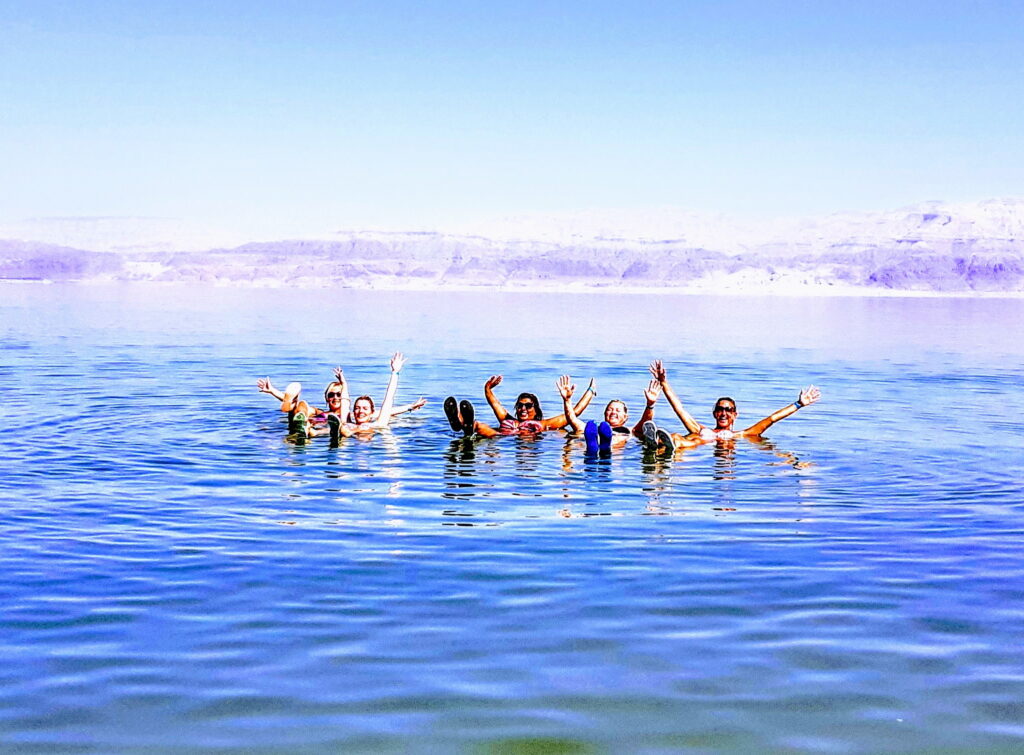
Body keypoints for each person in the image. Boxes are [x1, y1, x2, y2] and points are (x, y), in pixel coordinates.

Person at [642, 359, 821, 453]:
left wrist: (798, 404)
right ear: (714, 414)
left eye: (728, 410)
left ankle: (660, 447)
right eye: (720, 409)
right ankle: (657, 444)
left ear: (735, 414)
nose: (723, 413)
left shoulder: (742, 435)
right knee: (677, 437)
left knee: (681, 442)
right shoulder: (699, 429)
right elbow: (679, 408)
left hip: (689, 450)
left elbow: (772, 419)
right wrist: (663, 382)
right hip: (688, 444)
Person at [257, 354, 425, 439]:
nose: (360, 411)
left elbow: (389, 403)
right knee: (309, 411)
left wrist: (395, 373)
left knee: (347, 426)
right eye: (358, 408)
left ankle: (306, 427)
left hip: (345, 433)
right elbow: (346, 401)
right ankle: (296, 413)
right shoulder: (345, 417)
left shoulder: (376, 422)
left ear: (371, 410)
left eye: (364, 408)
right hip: (338, 430)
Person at [444, 374, 596, 438]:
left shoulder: (545, 424)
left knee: (478, 426)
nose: (523, 409)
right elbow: (495, 404)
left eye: (528, 406)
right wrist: (487, 388)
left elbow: (575, 412)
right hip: (499, 437)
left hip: (501, 439)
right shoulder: (508, 419)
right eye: (520, 406)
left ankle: (463, 425)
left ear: (536, 410)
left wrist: (591, 390)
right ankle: (458, 423)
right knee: (477, 425)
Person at [556, 375, 661, 454]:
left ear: (625, 417)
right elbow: (572, 419)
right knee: (589, 431)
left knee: (616, 439)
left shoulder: (631, 430)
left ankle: (602, 446)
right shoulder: (591, 429)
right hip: (592, 444)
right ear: (604, 414)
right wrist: (567, 400)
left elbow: (646, 422)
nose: (613, 412)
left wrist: (650, 404)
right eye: (610, 409)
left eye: (618, 410)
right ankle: (595, 447)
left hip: (614, 452)